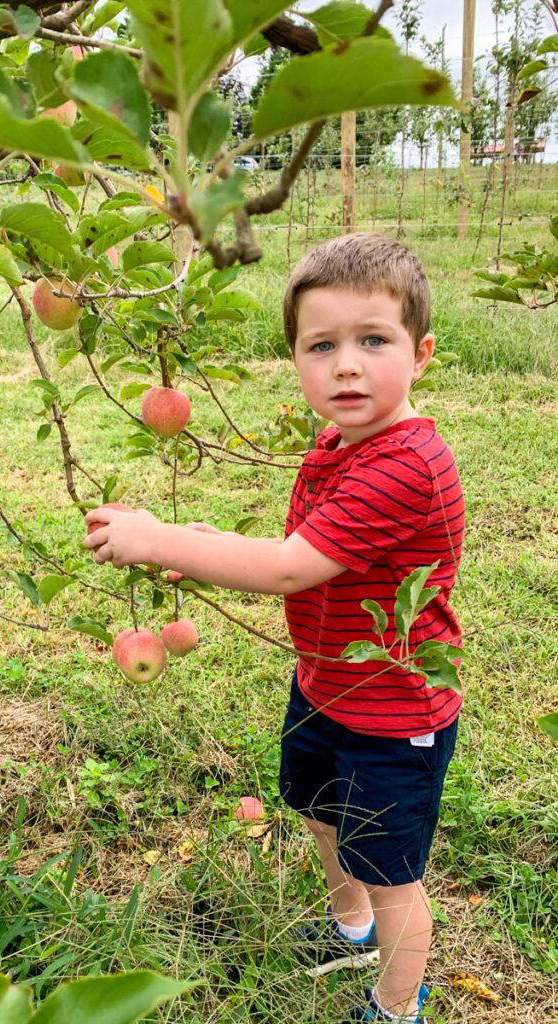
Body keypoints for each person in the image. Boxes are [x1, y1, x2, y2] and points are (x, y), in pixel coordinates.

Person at [83, 233, 464, 1024]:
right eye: (321, 345)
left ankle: (396, 1008)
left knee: (391, 870)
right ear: (294, 359)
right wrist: (204, 545)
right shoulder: (338, 445)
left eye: (372, 341)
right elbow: (302, 552)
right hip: (326, 683)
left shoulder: (405, 466)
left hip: (393, 714)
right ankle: (348, 929)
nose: (346, 365)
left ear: (420, 353)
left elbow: (290, 568)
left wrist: (158, 539)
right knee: (321, 813)